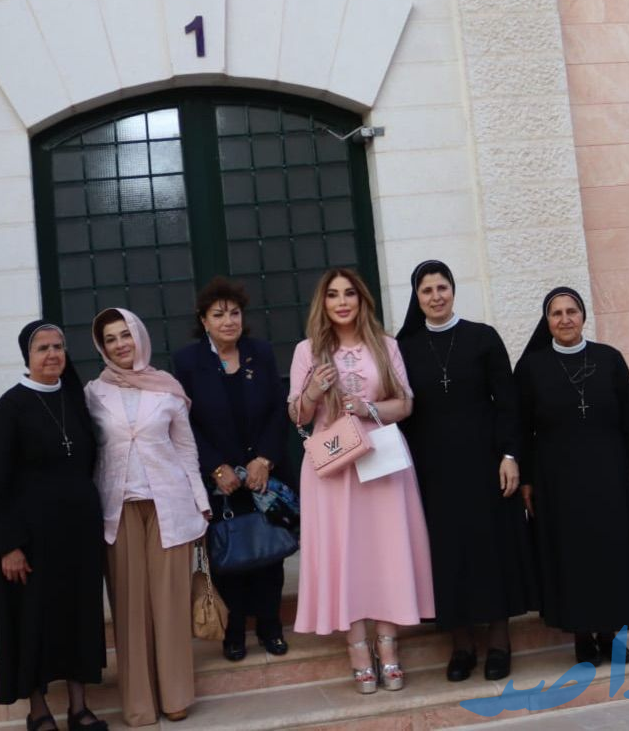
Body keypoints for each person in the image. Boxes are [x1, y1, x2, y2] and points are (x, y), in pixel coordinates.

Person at [288, 268, 434, 694]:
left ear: (361, 299)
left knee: (386, 549)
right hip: (333, 463)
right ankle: (357, 649)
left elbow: (405, 404)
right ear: (324, 303)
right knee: (345, 551)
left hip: (381, 455)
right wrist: (313, 391)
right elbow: (296, 414)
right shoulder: (307, 350)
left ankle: (388, 646)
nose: (342, 302)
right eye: (333, 295)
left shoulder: (385, 345)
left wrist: (368, 408)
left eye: (349, 293)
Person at [396, 260, 535, 682]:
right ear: (416, 297)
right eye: (427, 290)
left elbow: (507, 402)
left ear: (453, 290)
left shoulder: (483, 337)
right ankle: (461, 646)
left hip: (485, 464)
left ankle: (499, 643)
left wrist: (510, 455)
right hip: (433, 469)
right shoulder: (404, 347)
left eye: (442, 287)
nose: (436, 296)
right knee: (448, 553)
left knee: (491, 549)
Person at [84, 308, 210, 726]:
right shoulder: (93, 393)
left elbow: (186, 450)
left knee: (169, 604)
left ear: (139, 337)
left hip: (169, 505)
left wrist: (200, 502)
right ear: (102, 347)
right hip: (117, 509)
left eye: (126, 335)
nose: (120, 344)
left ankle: (175, 695)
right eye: (111, 339)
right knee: (130, 608)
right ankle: (138, 702)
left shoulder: (168, 389)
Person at [514, 287, 629, 665]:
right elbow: (522, 427)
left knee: (611, 551)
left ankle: (611, 637)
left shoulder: (609, 359)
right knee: (571, 556)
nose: (565, 319)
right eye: (556, 313)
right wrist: (527, 480)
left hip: (609, 472)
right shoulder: (531, 368)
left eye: (571, 311)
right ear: (547, 321)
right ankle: (581, 637)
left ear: (583, 316)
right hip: (556, 479)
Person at [0, 321, 107, 731]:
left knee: (78, 617)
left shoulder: (75, 400)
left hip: (78, 537)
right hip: (31, 541)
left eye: (58, 347)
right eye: (43, 348)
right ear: (28, 356)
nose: (52, 354)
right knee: (32, 621)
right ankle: (38, 711)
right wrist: (8, 545)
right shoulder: (10, 407)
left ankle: (79, 707)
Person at [172, 277, 292, 662]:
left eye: (235, 313)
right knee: (228, 556)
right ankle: (234, 631)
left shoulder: (261, 352)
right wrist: (215, 467)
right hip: (220, 481)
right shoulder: (187, 362)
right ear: (203, 320)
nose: (228, 321)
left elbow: (278, 410)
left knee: (270, 552)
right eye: (218, 314)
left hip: (262, 475)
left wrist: (264, 460)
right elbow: (184, 423)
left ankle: (271, 626)